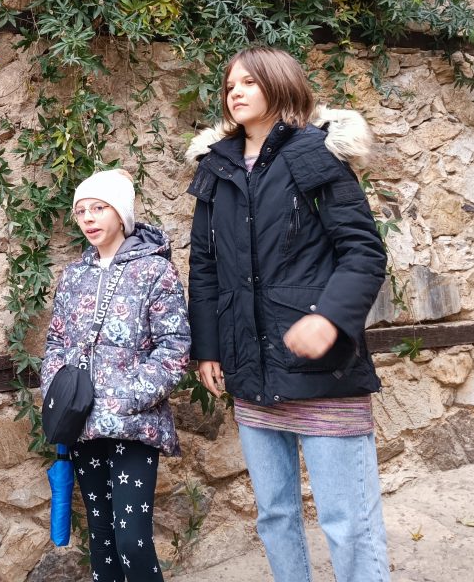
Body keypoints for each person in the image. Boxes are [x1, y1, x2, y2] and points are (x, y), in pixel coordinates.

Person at [186, 46, 391, 582]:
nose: (235, 91)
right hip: (251, 368)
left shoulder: (315, 153)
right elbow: (204, 266)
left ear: (279, 85)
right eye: (230, 84)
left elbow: (363, 252)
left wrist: (330, 317)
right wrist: (208, 348)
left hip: (323, 371)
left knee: (348, 522)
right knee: (275, 516)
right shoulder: (217, 167)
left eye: (249, 82)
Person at [41, 169, 191, 582]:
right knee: (102, 539)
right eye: (81, 211)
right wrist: (57, 391)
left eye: (99, 208)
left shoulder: (155, 272)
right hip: (83, 424)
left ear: (121, 214)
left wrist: (123, 400)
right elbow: (55, 342)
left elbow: (174, 347)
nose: (88, 218)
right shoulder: (73, 276)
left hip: (133, 425)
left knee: (132, 540)